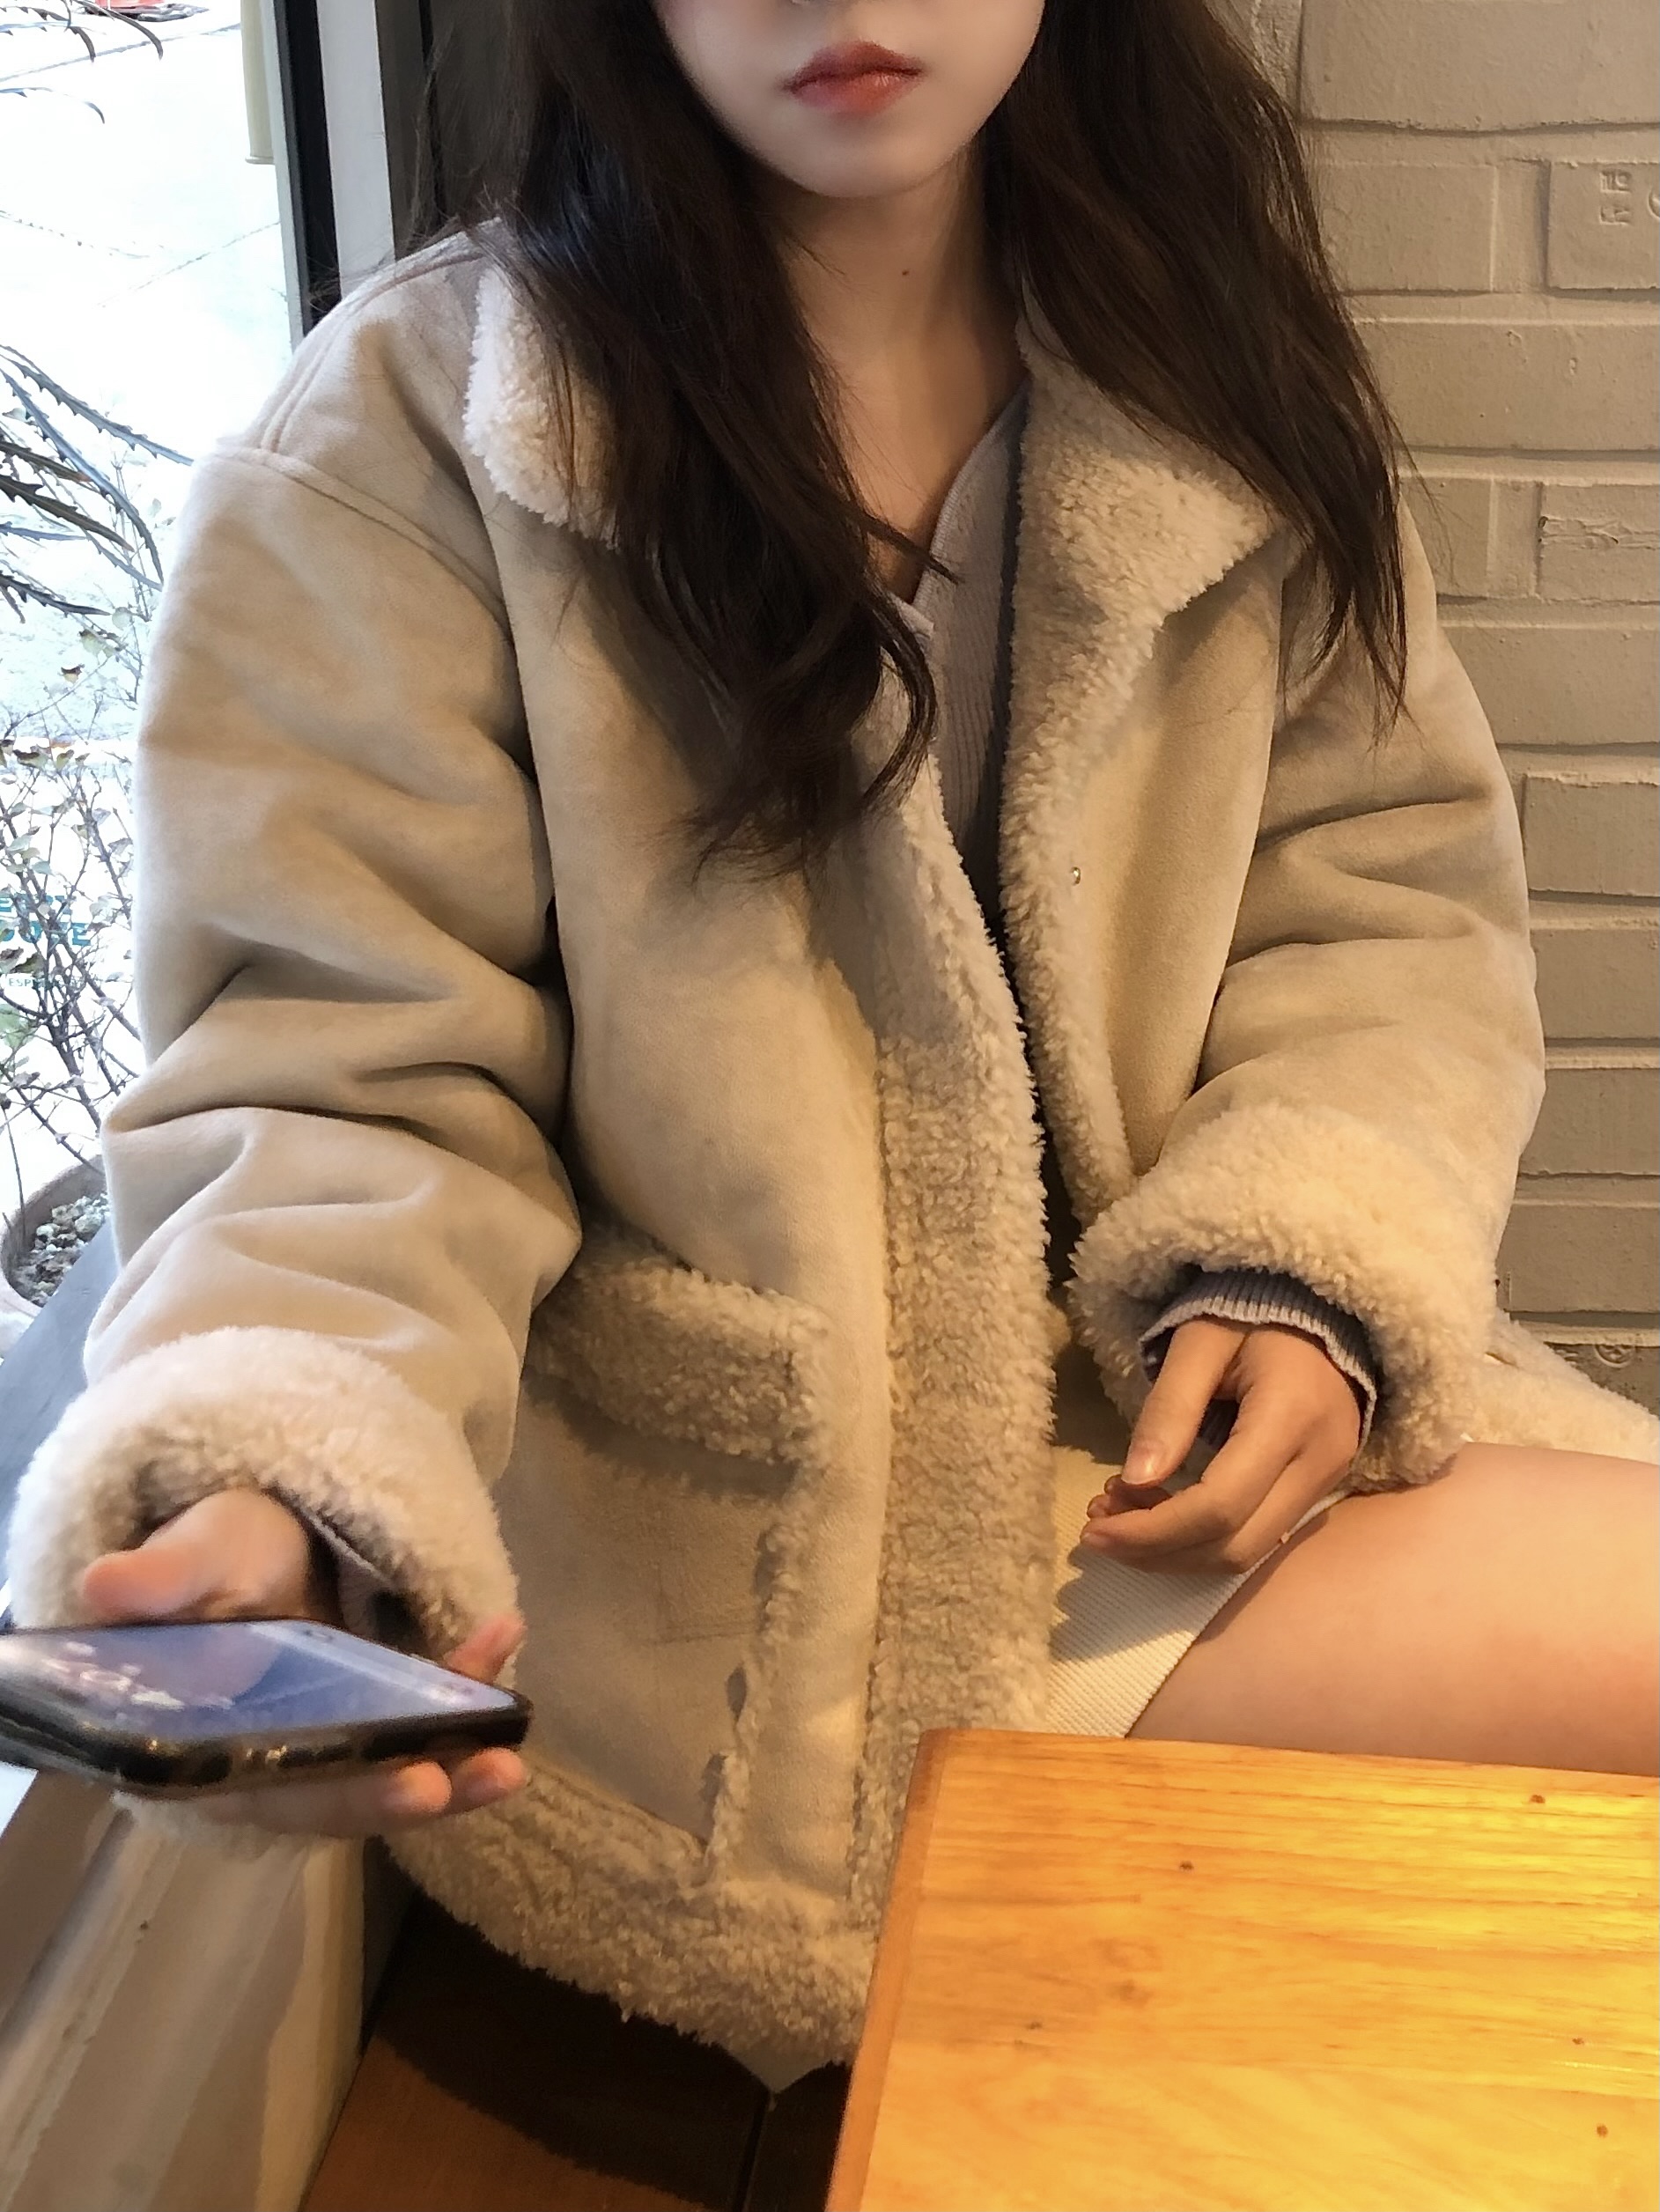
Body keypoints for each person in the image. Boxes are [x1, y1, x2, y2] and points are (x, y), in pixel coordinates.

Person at [8, 0, 1656, 2086]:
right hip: (765, 1598)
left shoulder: (1193, 349)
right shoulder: (410, 438)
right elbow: (348, 1079)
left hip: (1161, 1434)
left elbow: (1378, 901)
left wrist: (1305, 1264)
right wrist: (284, 1475)